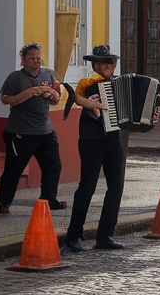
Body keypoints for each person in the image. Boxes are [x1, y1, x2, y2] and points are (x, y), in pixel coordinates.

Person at [64, 45, 134, 253]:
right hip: (91, 140)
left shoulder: (119, 83)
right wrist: (89, 103)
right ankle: (74, 236)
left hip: (114, 140)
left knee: (116, 186)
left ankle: (105, 235)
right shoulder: (88, 84)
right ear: (95, 65)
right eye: (102, 63)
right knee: (87, 186)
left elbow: (130, 115)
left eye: (110, 63)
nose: (106, 66)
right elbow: (78, 99)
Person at [0, 42, 65, 215]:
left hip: (46, 131)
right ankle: (4, 202)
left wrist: (51, 94)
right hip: (21, 132)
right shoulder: (15, 77)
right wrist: (31, 92)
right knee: (14, 169)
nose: (36, 61)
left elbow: (57, 98)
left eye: (38, 58)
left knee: (53, 166)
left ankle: (49, 200)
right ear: (23, 60)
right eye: (32, 58)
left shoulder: (48, 74)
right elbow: (6, 99)